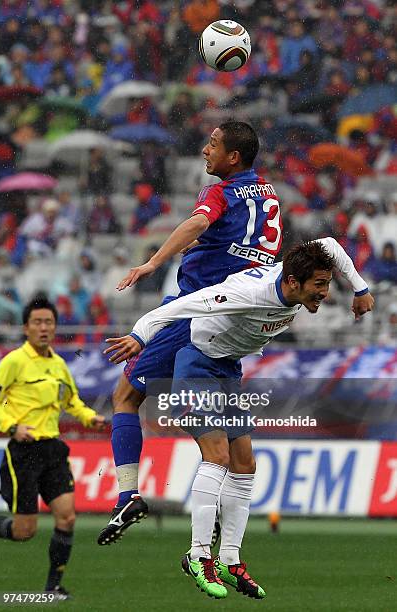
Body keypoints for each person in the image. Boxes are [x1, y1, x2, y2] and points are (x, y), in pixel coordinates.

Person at [104, 237, 374, 599]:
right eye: (319, 286)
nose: (324, 293)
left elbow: (330, 244)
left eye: (326, 284)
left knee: (245, 464)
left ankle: (230, 559)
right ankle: (198, 555)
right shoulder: (247, 293)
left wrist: (359, 287)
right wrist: (140, 335)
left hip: (227, 369)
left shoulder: (296, 276)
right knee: (218, 455)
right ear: (293, 283)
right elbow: (180, 308)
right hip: (195, 364)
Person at [97, 120, 284, 545]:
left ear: (233, 157)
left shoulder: (219, 192)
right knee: (224, 428)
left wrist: (153, 261)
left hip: (195, 308)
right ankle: (220, 516)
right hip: (237, 319)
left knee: (126, 396)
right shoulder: (269, 195)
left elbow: (197, 225)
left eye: (213, 144)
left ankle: (128, 495)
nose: (204, 150)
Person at [0, 297, 106, 599]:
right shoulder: (13, 362)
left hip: (53, 450)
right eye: (37, 322)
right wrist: (12, 426)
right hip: (23, 453)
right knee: (24, 531)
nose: (43, 328)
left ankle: (53, 587)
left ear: (55, 327)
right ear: (26, 327)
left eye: (48, 322)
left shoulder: (59, 365)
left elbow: (72, 401)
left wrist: (89, 417)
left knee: (67, 518)